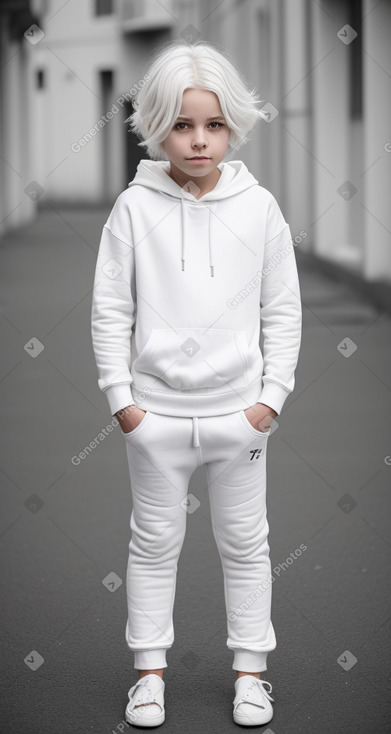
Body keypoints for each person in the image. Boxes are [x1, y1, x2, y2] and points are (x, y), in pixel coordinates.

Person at [91, 40, 302, 728]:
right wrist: (123, 403)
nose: (199, 140)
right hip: (153, 418)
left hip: (237, 418)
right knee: (152, 543)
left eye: (212, 124)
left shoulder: (259, 207)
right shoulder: (132, 208)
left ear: (233, 126)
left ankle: (250, 676)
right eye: (182, 124)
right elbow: (110, 308)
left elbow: (282, 307)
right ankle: (148, 676)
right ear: (157, 126)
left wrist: (269, 399)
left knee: (246, 544)